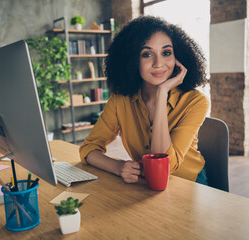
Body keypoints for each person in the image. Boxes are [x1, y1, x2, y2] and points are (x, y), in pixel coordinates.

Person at [79, 16, 209, 185]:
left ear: (178, 57)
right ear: (132, 59)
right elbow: (88, 149)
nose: (158, 63)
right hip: (146, 183)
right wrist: (117, 167)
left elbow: (166, 165)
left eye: (166, 53)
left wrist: (162, 94)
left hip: (190, 183)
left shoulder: (196, 101)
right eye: (147, 54)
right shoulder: (120, 101)